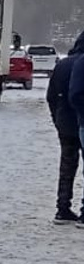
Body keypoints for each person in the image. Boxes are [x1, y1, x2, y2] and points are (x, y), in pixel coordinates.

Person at [48, 32, 84, 224]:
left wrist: (57, 119)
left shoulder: (62, 65)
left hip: (65, 123)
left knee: (67, 166)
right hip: (81, 120)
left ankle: (63, 207)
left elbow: (51, 96)